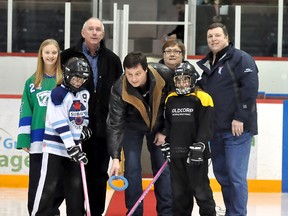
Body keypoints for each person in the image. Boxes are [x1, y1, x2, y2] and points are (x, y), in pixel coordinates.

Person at [61, 17, 123, 216]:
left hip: (102, 130)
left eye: (98, 30)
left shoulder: (113, 60)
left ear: (103, 34)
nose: (95, 32)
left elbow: (119, 94)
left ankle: (95, 213)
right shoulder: (67, 56)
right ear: (83, 33)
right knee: (75, 177)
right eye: (91, 29)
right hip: (75, 130)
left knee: (98, 177)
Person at [197, 22, 259, 216]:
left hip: (236, 130)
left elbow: (249, 88)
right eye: (210, 37)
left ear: (227, 38)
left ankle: (238, 214)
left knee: (235, 176)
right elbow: (205, 89)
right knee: (223, 175)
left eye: (217, 36)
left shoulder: (241, 59)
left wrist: (240, 117)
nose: (213, 39)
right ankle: (231, 212)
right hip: (215, 130)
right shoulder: (209, 64)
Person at [107, 51, 173, 216]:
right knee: (132, 168)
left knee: (162, 169)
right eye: (129, 74)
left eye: (137, 74)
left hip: (158, 126)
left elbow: (174, 104)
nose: (134, 79)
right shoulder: (118, 88)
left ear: (146, 69)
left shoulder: (163, 74)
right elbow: (115, 124)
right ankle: (135, 211)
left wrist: (165, 131)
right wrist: (115, 158)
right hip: (132, 127)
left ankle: (167, 212)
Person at [31, 57, 91, 216]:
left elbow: (82, 116)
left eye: (83, 78)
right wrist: (71, 146)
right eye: (76, 77)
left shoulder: (84, 94)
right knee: (48, 188)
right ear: (67, 75)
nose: (79, 81)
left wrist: (84, 128)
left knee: (75, 191)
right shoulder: (58, 94)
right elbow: (59, 123)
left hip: (74, 149)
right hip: (54, 148)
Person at [159, 62, 216, 215]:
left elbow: (206, 126)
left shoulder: (203, 98)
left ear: (193, 80)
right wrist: (167, 143)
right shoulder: (170, 99)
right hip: (177, 154)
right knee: (179, 195)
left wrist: (200, 145)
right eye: (178, 80)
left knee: (201, 192)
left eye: (185, 79)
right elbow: (169, 124)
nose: (182, 83)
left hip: (196, 155)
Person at [16, 38, 63, 216]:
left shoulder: (63, 80)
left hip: (59, 141)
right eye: (47, 52)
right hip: (38, 140)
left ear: (58, 55)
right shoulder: (31, 83)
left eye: (54, 52)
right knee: (36, 182)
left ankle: (52, 212)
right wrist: (24, 138)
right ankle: (35, 212)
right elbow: (25, 111)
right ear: (41, 55)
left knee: (56, 183)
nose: (50, 56)